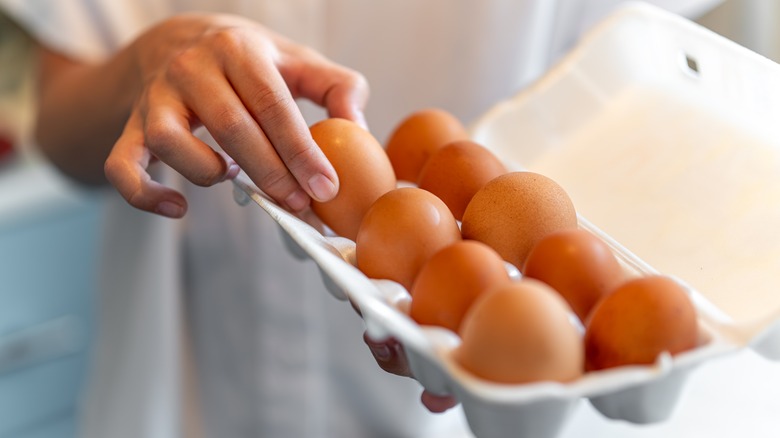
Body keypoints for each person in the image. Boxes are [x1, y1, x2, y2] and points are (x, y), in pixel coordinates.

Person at [0, 1, 722, 437]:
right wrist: (147, 63)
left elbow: (646, 85)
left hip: (464, 410)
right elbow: (59, 134)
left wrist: (502, 303)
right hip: (184, 397)